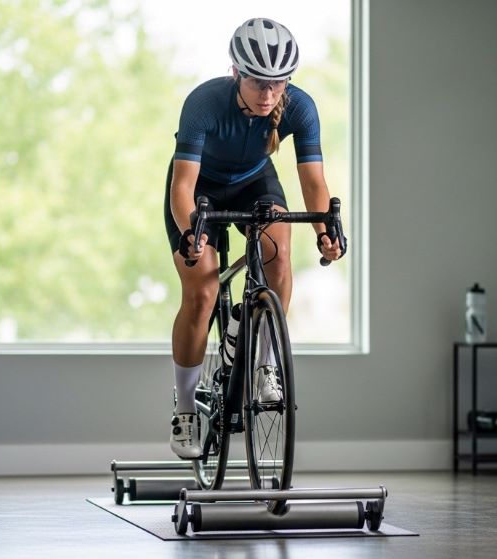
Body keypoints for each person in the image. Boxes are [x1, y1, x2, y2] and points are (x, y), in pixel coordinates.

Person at [165, 18, 343, 459]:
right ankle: (185, 408)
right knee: (202, 291)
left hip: (253, 180)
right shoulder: (204, 103)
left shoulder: (300, 107)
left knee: (279, 253)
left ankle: (264, 356)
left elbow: (314, 182)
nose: (268, 95)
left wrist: (325, 232)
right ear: (236, 73)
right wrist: (192, 233)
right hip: (200, 189)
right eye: (258, 83)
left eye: (278, 84)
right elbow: (183, 186)